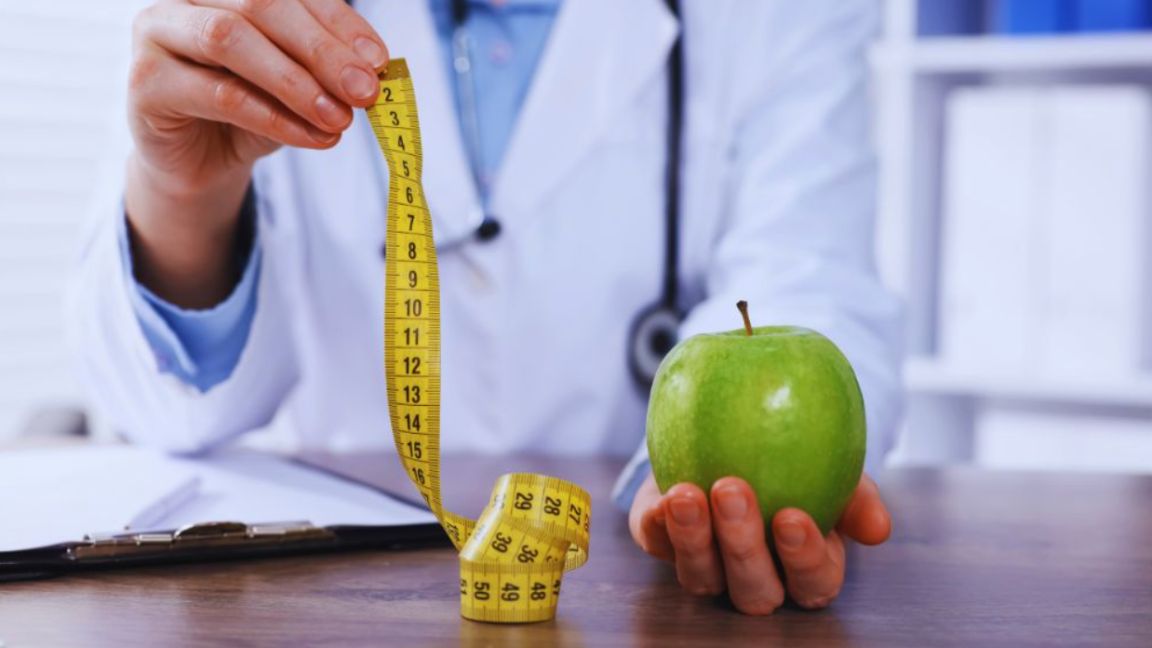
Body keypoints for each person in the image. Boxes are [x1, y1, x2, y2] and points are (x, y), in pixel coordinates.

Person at [68, 0, 901, 615]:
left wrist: (701, 476)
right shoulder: (238, 15)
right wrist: (183, 193)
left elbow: (809, 274)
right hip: (309, 599)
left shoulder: (785, 17)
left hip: (624, 598)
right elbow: (170, 410)